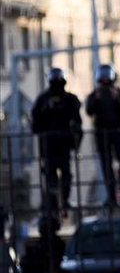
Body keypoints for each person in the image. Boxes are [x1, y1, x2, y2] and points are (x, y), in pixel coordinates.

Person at [31, 68, 82, 212]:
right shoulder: (43, 99)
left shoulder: (70, 99)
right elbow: (35, 122)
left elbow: (77, 121)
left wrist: (75, 140)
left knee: (66, 174)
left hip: (64, 143)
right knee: (50, 175)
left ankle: (65, 200)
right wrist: (46, 110)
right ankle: (52, 202)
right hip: (49, 144)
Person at [85, 63, 120, 208]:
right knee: (106, 166)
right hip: (102, 134)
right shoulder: (94, 94)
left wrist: (117, 98)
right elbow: (89, 110)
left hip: (117, 131)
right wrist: (96, 98)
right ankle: (111, 197)